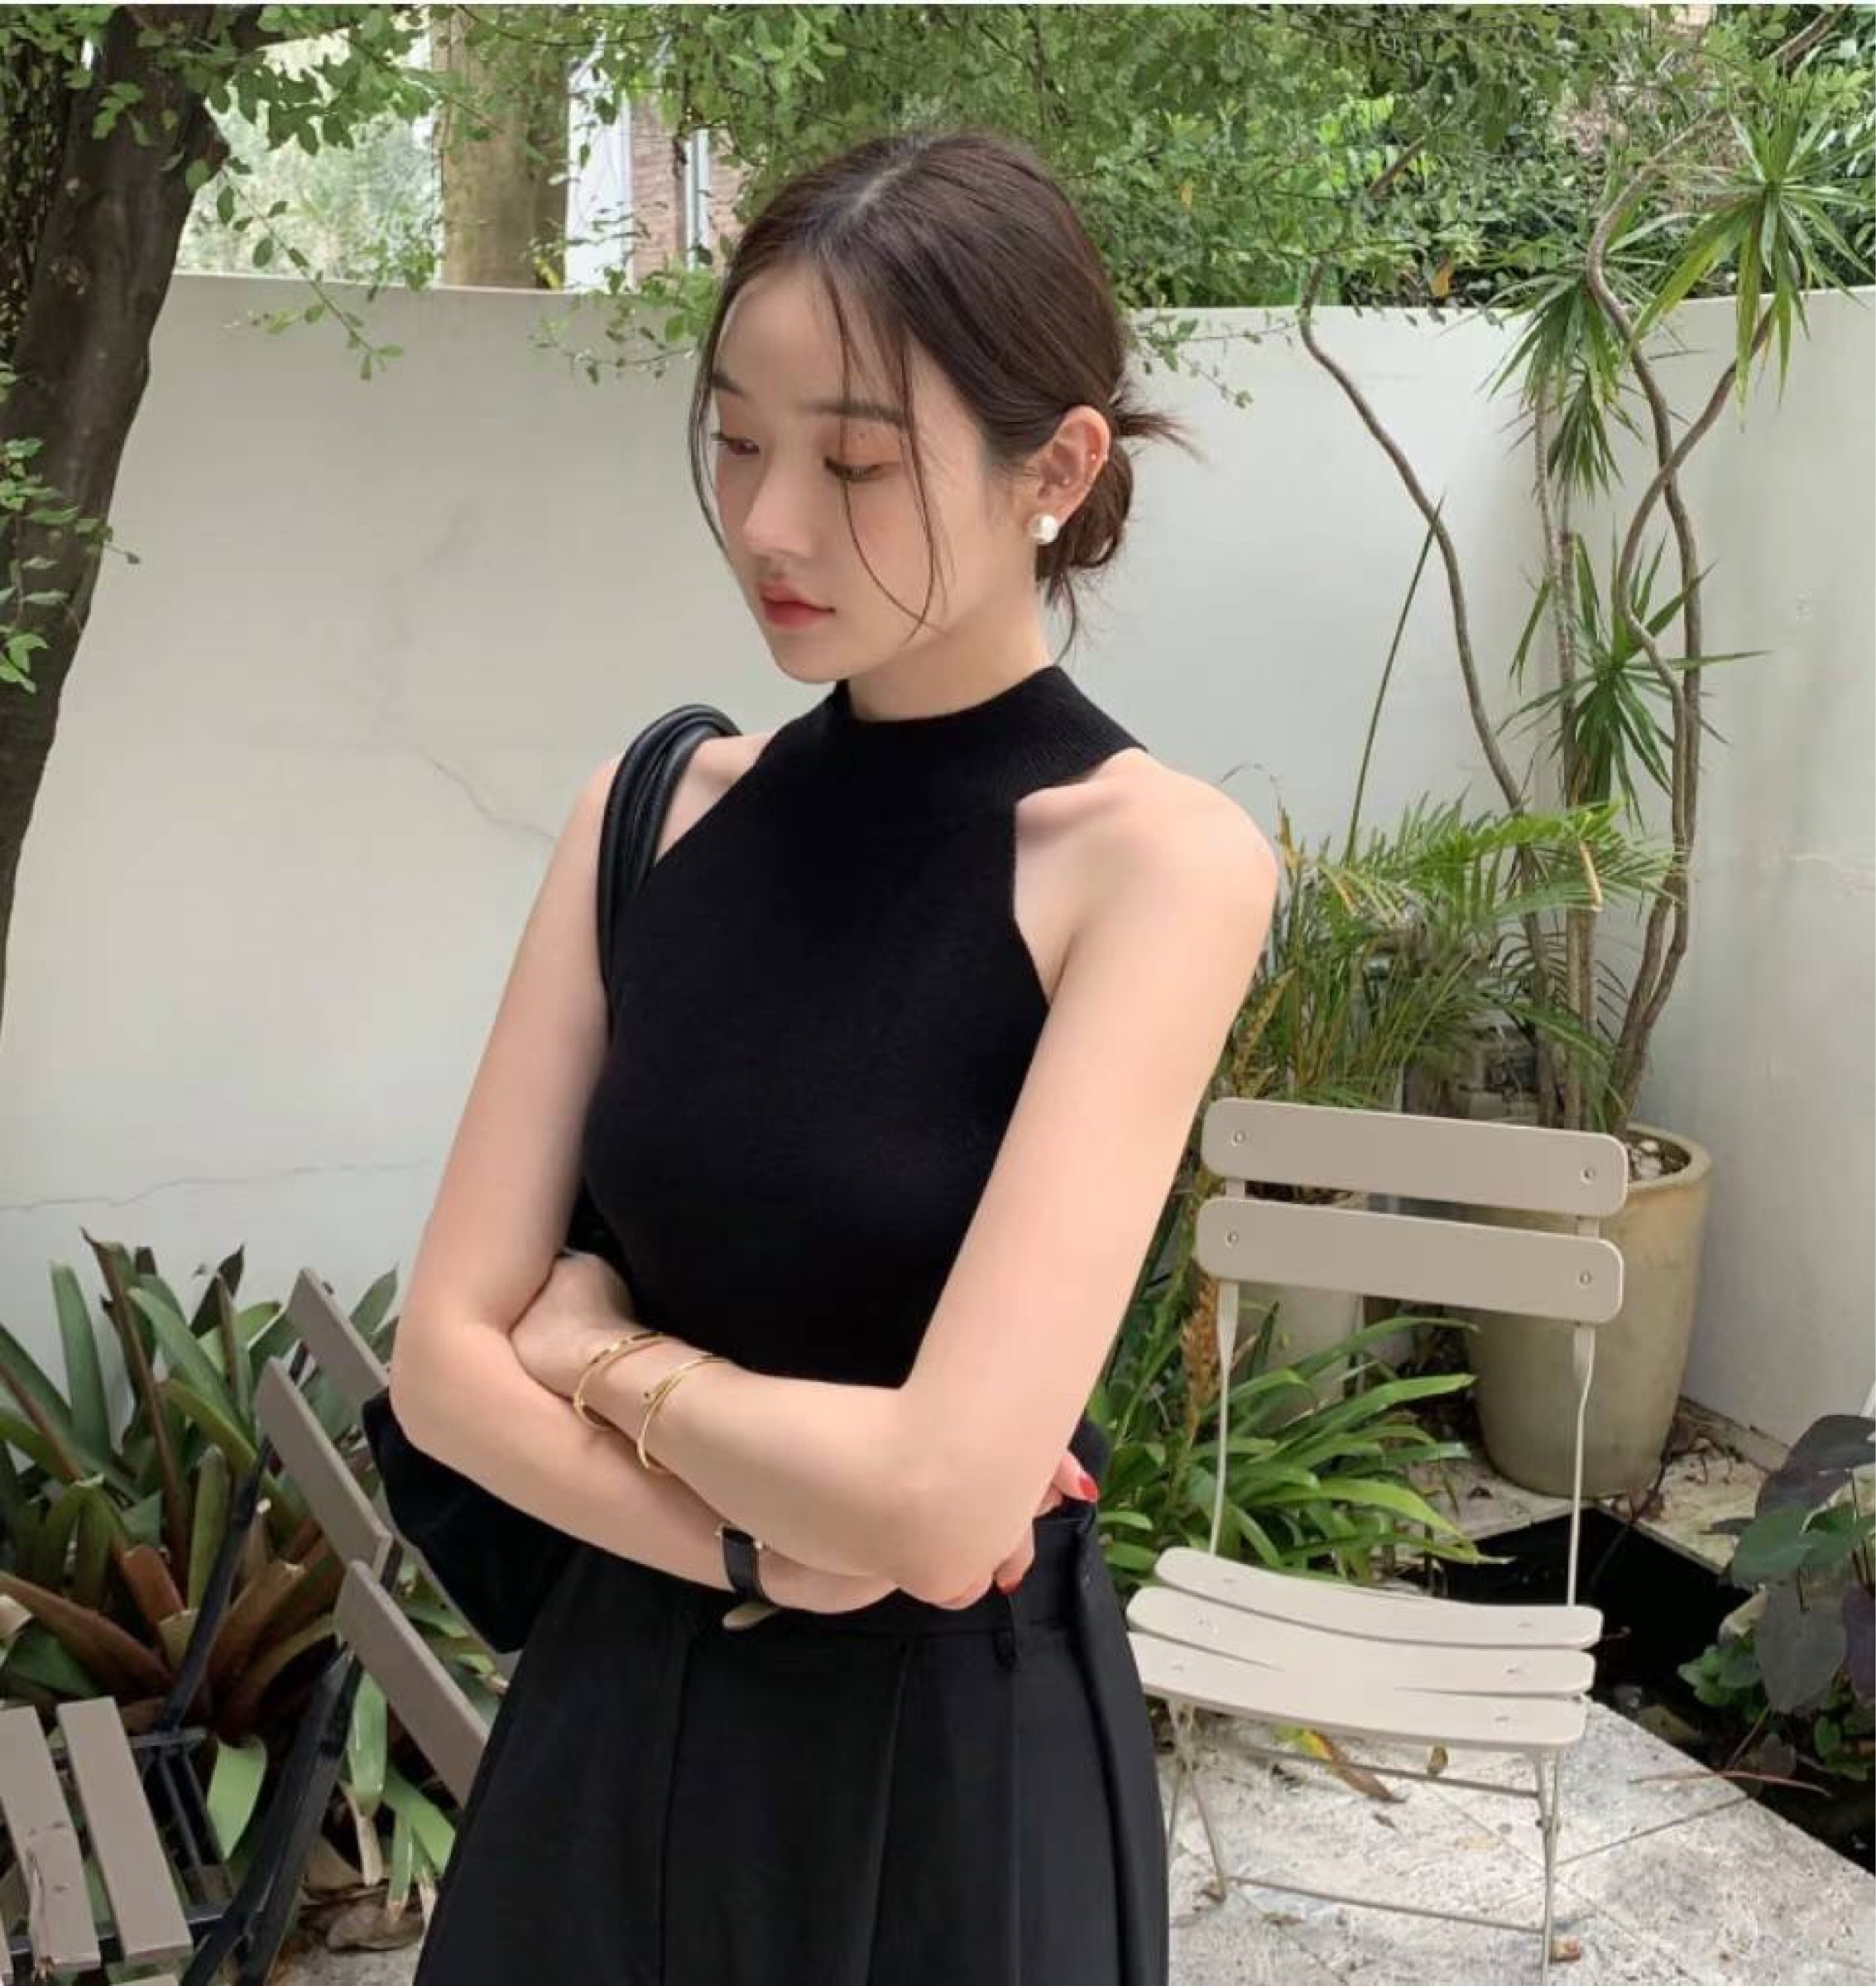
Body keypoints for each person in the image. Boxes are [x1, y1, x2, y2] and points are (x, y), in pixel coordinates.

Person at [389, 123, 1277, 1986]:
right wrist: (754, 1549)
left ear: (1056, 470)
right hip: (611, 1732)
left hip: (944, 1777)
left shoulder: (1153, 866)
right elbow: (444, 1371)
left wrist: (604, 1357)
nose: (770, 524)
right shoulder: (650, 814)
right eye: (736, 442)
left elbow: (947, 1506)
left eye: (856, 463)